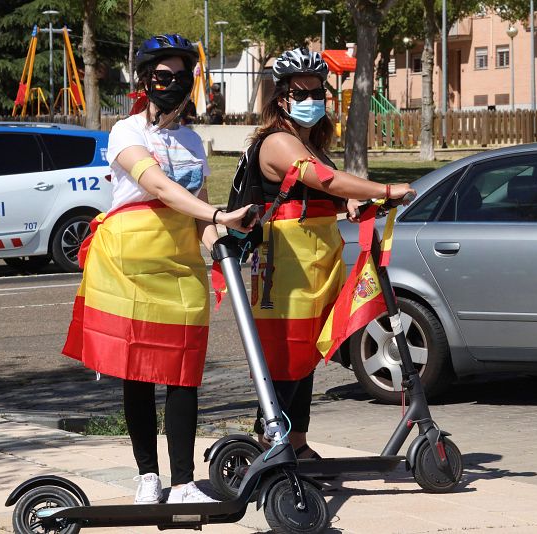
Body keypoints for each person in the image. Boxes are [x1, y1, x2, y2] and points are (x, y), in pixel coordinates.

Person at [62, 34, 254, 505]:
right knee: (139, 370)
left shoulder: (192, 140)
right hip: (129, 264)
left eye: (181, 77)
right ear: (146, 79)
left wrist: (223, 243)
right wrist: (218, 217)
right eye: (162, 76)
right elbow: (158, 186)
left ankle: (185, 482)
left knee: (184, 372)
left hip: (181, 264)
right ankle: (148, 475)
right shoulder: (126, 131)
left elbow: (198, 208)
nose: (171, 84)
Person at [248, 47, 415, 458]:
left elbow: (321, 197)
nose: (311, 101)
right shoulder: (278, 142)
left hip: (316, 262)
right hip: (283, 266)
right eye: (300, 94)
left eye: (317, 93)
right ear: (281, 98)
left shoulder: (311, 142)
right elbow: (323, 179)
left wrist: (350, 205)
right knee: (285, 357)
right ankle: (270, 441)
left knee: (304, 359)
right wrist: (383, 189)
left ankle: (298, 444)